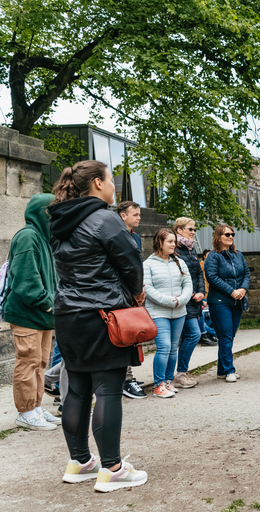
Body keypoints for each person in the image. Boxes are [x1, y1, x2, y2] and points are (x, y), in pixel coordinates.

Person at [49, 160, 147, 491]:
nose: (113, 186)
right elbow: (131, 264)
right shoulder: (105, 218)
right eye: (110, 180)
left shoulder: (60, 220)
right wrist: (135, 293)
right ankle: (113, 469)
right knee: (107, 389)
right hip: (102, 315)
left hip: (67, 315)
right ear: (96, 183)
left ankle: (80, 462)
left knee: (76, 389)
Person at [3, 193, 60, 430]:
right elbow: (26, 279)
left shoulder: (45, 239)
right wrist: (47, 302)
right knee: (28, 361)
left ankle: (35, 407)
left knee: (40, 362)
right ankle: (25, 411)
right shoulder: (28, 236)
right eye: (55, 212)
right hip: (28, 312)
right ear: (44, 212)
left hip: (44, 314)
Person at [143, 229, 193, 398]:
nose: (174, 244)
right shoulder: (148, 264)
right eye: (170, 241)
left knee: (173, 349)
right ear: (159, 243)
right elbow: (148, 289)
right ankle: (158, 386)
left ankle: (167, 382)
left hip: (179, 311)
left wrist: (182, 300)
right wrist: (170, 301)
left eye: (174, 241)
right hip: (158, 313)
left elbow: (188, 284)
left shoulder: (180, 262)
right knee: (164, 347)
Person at [204, 225, 250, 382]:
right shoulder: (213, 256)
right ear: (218, 237)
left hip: (237, 301)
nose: (231, 236)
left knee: (230, 335)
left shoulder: (238, 255)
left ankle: (222, 370)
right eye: (227, 234)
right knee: (225, 335)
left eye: (232, 234)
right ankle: (229, 370)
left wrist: (243, 288)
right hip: (220, 302)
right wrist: (231, 291)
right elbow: (212, 277)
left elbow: (246, 273)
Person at [172, 217, 205, 389]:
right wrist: (190, 292)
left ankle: (181, 373)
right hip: (184, 300)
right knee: (194, 334)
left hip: (195, 300)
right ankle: (179, 374)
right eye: (190, 229)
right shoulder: (175, 249)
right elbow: (177, 276)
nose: (193, 232)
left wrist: (201, 293)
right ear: (179, 230)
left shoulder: (191, 249)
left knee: (187, 336)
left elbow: (199, 272)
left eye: (194, 229)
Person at [117, 200, 146, 399]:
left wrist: (140, 288)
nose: (139, 218)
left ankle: (127, 377)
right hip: (117, 295)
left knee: (131, 337)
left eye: (139, 214)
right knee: (121, 336)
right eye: (135, 214)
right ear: (123, 215)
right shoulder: (115, 237)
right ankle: (125, 379)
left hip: (132, 293)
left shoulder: (136, 239)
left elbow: (137, 266)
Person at [198, 249, 218, 346]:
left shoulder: (213, 267)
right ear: (204, 256)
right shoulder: (201, 266)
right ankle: (215, 333)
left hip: (210, 296)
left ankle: (211, 334)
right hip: (202, 296)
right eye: (208, 255)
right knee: (202, 315)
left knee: (212, 315)